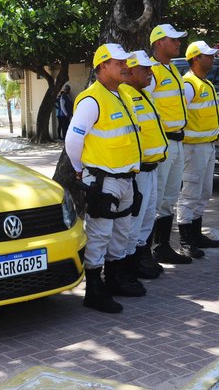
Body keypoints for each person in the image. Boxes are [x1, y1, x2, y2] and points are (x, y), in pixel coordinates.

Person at [65, 43, 143, 314]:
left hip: (124, 178)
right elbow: (73, 139)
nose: (125, 66)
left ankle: (115, 279)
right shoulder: (92, 99)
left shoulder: (121, 94)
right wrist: (78, 168)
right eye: (119, 62)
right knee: (100, 234)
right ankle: (94, 290)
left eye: (126, 61)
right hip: (103, 180)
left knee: (121, 232)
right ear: (102, 66)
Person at [146, 24, 193, 265]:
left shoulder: (172, 69)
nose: (178, 43)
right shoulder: (152, 72)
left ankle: (162, 246)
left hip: (177, 141)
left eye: (178, 39)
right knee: (156, 197)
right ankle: (148, 251)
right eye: (173, 39)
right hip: (162, 144)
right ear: (158, 43)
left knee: (170, 196)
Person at [120, 51, 169, 279]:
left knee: (148, 216)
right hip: (137, 171)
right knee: (134, 221)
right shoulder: (125, 96)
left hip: (152, 168)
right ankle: (130, 265)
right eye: (145, 69)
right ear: (130, 70)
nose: (150, 72)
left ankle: (142, 257)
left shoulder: (143, 94)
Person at [178, 41, 219, 259]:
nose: (212, 58)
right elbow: (179, 117)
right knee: (190, 193)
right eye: (208, 55)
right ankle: (186, 240)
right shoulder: (188, 85)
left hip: (207, 146)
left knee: (204, 192)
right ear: (195, 58)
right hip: (193, 149)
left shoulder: (205, 83)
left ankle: (196, 235)